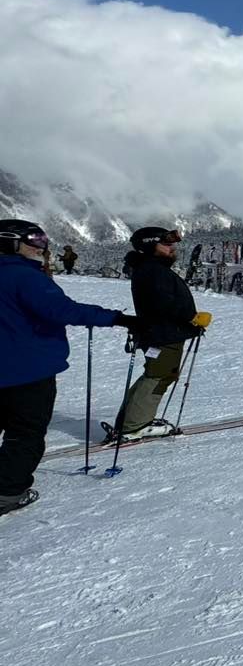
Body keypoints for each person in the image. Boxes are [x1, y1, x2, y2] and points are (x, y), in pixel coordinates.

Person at [1, 220, 135, 514]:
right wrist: (116, 318)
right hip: (26, 371)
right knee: (24, 433)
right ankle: (8, 493)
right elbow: (62, 310)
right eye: (34, 239)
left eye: (43, 238)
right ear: (9, 242)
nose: (42, 245)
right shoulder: (24, 277)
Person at [113, 227, 209, 439]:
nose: (171, 247)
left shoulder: (150, 268)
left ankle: (132, 421)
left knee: (158, 374)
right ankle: (134, 425)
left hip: (163, 332)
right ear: (150, 245)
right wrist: (191, 317)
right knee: (159, 376)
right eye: (165, 243)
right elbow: (163, 302)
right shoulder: (152, 270)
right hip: (163, 334)